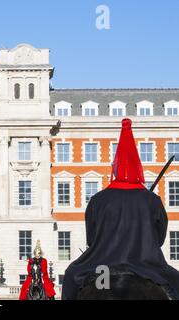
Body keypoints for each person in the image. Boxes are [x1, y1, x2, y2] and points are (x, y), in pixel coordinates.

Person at [62, 118, 179, 299]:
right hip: (146, 265)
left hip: (101, 267)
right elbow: (159, 238)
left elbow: (92, 239)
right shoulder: (152, 200)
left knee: (70, 277)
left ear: (115, 169)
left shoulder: (97, 200)